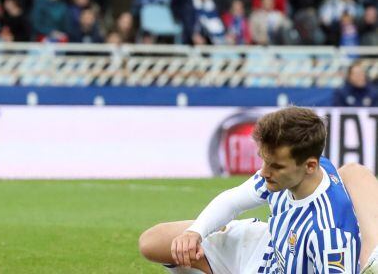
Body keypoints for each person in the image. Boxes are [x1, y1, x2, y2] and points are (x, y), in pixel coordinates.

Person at [139, 107, 361, 273]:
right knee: (153, 241)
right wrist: (195, 232)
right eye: (264, 161)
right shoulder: (293, 173)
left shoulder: (330, 235)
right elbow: (234, 200)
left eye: (275, 166)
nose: (264, 172)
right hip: (262, 246)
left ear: (310, 166)